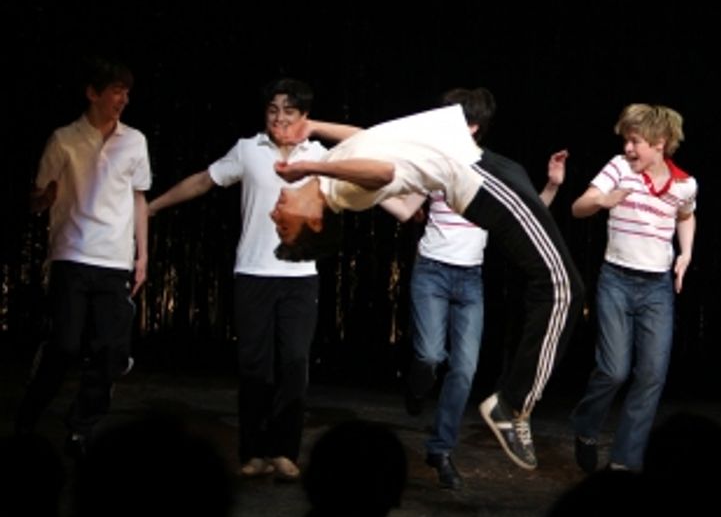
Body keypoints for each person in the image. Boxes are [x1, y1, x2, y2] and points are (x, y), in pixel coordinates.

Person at [270, 103, 584, 471]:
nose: (275, 215)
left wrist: (313, 127)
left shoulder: (329, 178)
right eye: (285, 227)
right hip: (473, 177)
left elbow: (368, 139)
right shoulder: (340, 191)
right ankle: (512, 404)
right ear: (315, 223)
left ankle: (512, 402)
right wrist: (309, 165)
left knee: (560, 280)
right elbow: (383, 171)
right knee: (562, 286)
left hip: (480, 162)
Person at [378, 87, 566, 488]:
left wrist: (550, 187)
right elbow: (405, 208)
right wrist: (367, 191)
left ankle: (441, 450)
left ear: (473, 127)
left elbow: (527, 221)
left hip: (470, 280)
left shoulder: (490, 170)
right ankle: (417, 384)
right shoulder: (433, 166)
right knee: (429, 356)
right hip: (431, 272)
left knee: (464, 370)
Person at [148, 78, 326, 480]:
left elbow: (362, 181)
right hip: (253, 273)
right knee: (255, 368)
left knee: (294, 364)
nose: (280, 117)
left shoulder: (318, 154)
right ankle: (255, 451)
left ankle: (284, 451)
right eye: (273, 109)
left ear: (304, 117)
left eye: (289, 110)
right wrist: (153, 208)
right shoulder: (248, 150)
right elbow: (203, 180)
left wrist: (402, 202)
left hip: (300, 277)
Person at [16, 58, 151, 457]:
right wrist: (42, 200)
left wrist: (142, 255)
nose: (123, 98)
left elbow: (138, 197)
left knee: (111, 351)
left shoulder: (135, 140)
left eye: (126, 91)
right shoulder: (63, 139)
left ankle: (81, 425)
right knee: (66, 346)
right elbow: (38, 199)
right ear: (92, 93)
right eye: (115, 90)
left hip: (114, 258)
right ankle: (29, 412)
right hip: (72, 254)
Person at [570, 104, 696, 472]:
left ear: (660, 143)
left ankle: (624, 461)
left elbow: (686, 216)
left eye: (635, 141)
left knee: (652, 374)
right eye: (625, 140)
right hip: (617, 281)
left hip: (657, 287)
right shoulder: (618, 168)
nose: (627, 148)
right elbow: (579, 207)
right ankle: (586, 426)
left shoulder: (685, 184)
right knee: (614, 370)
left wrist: (686, 253)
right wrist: (601, 200)